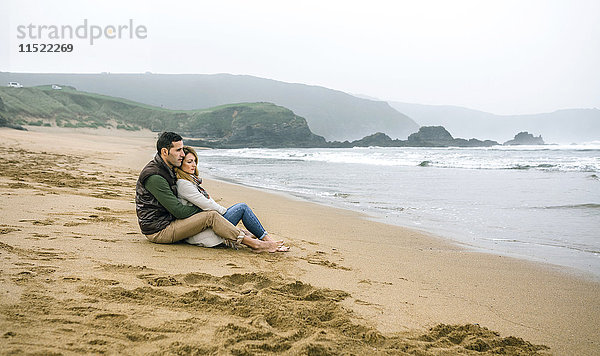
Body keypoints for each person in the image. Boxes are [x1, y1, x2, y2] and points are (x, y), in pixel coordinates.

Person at [135, 132, 286, 252]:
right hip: (159, 230)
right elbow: (178, 211)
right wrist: (205, 208)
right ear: (164, 152)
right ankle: (256, 244)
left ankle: (251, 237)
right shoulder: (155, 175)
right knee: (212, 215)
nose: (182, 154)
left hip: (169, 222)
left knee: (215, 214)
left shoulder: (168, 169)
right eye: (178, 150)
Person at [174, 146, 289, 251]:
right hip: (203, 233)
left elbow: (207, 203)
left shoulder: (190, 182)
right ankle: (268, 242)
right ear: (180, 164)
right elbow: (206, 205)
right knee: (242, 208)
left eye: (195, 161)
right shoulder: (184, 184)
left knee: (243, 216)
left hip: (205, 227)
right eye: (189, 162)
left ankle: (262, 239)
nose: (194, 165)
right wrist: (225, 214)